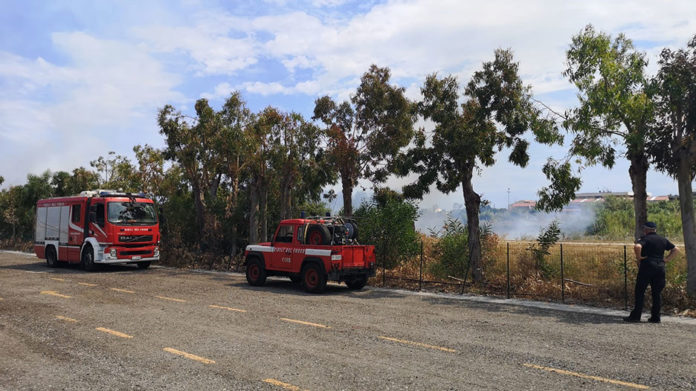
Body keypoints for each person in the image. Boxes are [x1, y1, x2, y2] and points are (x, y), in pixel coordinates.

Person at [624, 222, 679, 323]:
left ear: (646, 230)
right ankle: (655, 317)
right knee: (657, 293)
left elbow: (637, 247)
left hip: (647, 266)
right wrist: (666, 259)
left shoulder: (645, 239)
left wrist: (639, 257)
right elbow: (675, 249)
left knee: (640, 291)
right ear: (655, 230)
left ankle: (636, 316)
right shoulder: (663, 239)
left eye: (644, 229)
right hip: (660, 268)